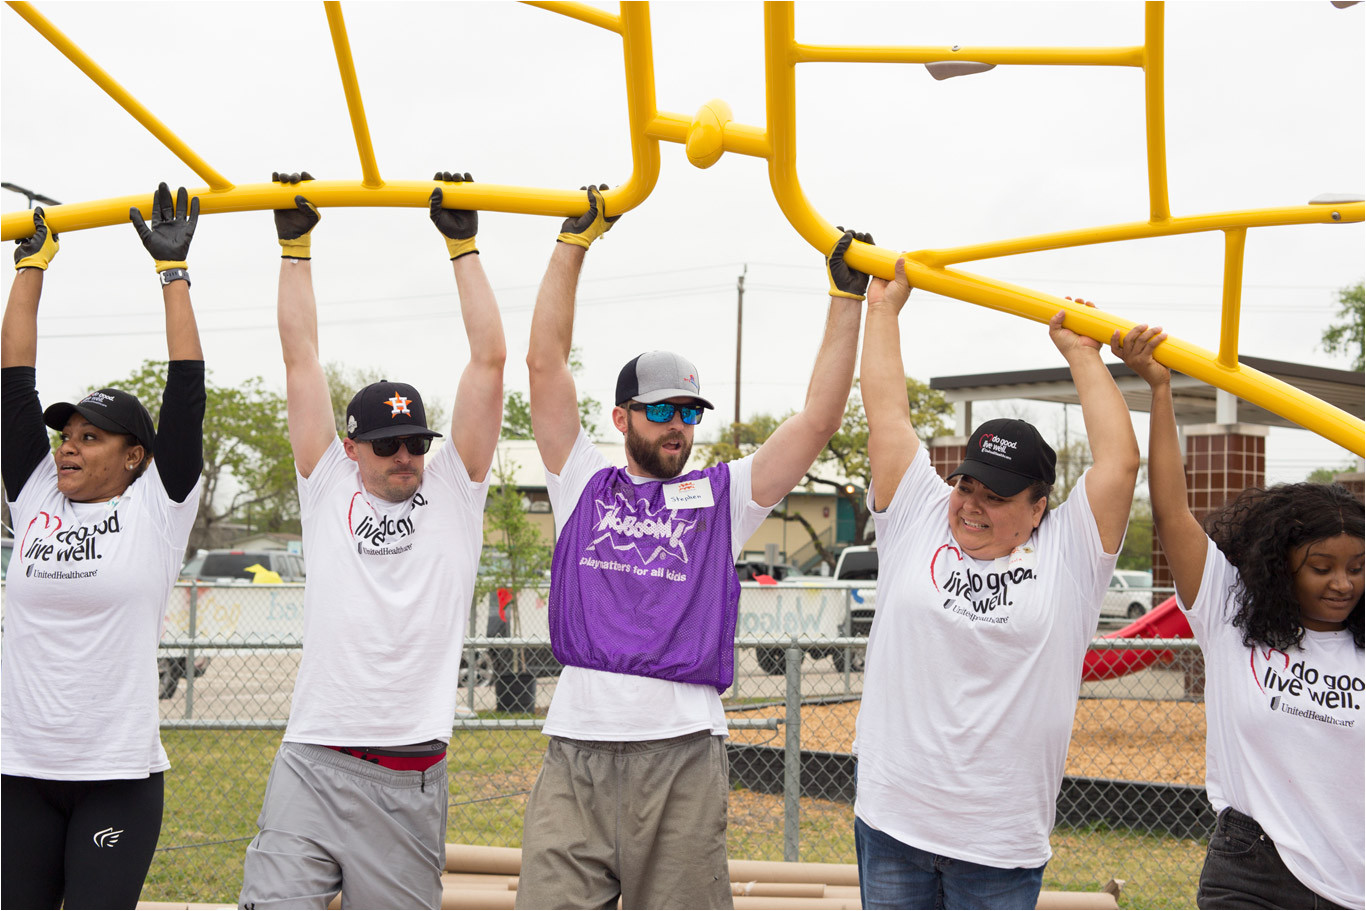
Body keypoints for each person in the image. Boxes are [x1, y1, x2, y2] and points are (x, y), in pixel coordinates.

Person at [515, 186, 868, 909]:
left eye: (690, 412)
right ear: (622, 416)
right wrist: (572, 245)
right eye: (663, 410)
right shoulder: (580, 480)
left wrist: (845, 298)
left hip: (681, 751)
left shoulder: (721, 496)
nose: (680, 425)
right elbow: (544, 364)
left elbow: (817, 419)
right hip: (576, 748)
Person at [237, 171, 505, 909]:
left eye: (414, 442)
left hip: (407, 776)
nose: (404, 457)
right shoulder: (327, 486)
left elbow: (489, 363)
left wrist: (464, 246)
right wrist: (295, 247)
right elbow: (301, 359)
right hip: (313, 763)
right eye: (387, 444)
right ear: (353, 447)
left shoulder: (454, 489)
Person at [853, 258, 1140, 909]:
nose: (972, 505)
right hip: (893, 819)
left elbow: (1120, 462)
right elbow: (889, 416)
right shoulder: (918, 516)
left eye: (998, 495)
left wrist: (1081, 353)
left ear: (1040, 505)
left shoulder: (1069, 553)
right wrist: (883, 311)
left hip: (997, 843)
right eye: (968, 484)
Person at [2, 185, 206, 908]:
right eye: (67, 435)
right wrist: (31, 267)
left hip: (115, 778)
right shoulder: (33, 495)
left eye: (91, 436)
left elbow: (185, 395)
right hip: (20, 772)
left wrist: (172, 273)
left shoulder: (158, 506)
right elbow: (14, 383)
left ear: (135, 457)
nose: (69, 447)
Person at [1114, 324, 1363, 910]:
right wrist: (1160, 391)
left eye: (1357, 566)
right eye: (1321, 566)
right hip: (1255, 872)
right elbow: (1173, 512)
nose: (1342, 583)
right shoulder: (1232, 618)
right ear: (1283, 567)